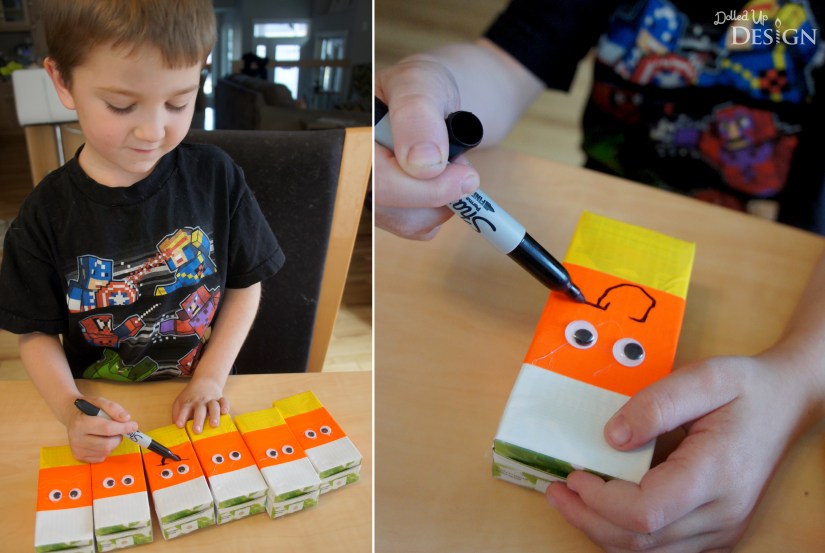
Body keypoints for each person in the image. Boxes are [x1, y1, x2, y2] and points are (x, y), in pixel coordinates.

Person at [376, 1, 825, 550]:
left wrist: (802, 378)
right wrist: (428, 92)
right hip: (606, 212)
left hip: (781, 263)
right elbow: (501, 64)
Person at [0, 0, 284, 463]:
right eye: (121, 104)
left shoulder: (217, 176)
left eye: (179, 101)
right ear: (62, 81)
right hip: (101, 407)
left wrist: (211, 378)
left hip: (201, 392)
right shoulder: (44, 215)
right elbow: (34, 334)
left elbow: (245, 284)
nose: (153, 130)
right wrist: (72, 409)